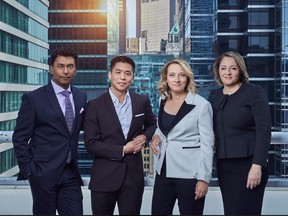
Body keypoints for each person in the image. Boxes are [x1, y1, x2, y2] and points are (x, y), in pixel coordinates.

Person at [12, 47, 87, 215]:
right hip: (42, 173)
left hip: (70, 173)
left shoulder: (81, 96)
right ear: (51, 68)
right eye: (60, 66)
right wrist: (29, 170)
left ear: (76, 69)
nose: (66, 71)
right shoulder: (34, 98)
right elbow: (20, 137)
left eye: (70, 66)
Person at [84, 55, 157, 215]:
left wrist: (145, 137)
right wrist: (123, 149)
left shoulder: (141, 101)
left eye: (127, 73)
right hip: (104, 178)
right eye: (118, 72)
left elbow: (152, 124)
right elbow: (91, 144)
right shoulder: (94, 106)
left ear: (133, 77)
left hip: (133, 177)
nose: (122, 77)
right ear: (110, 75)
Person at [208, 51, 271, 215]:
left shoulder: (254, 92)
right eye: (223, 68)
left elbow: (264, 130)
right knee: (231, 211)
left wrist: (257, 166)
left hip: (249, 164)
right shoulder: (214, 96)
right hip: (224, 165)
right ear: (218, 71)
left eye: (233, 68)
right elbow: (204, 125)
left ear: (240, 70)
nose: (227, 72)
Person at [150, 58, 214, 215]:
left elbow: (208, 144)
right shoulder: (163, 100)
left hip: (190, 174)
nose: (177, 80)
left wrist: (203, 178)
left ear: (187, 78)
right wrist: (156, 136)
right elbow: (164, 128)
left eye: (181, 75)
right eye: (172, 75)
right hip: (163, 171)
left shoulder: (201, 105)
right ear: (166, 78)